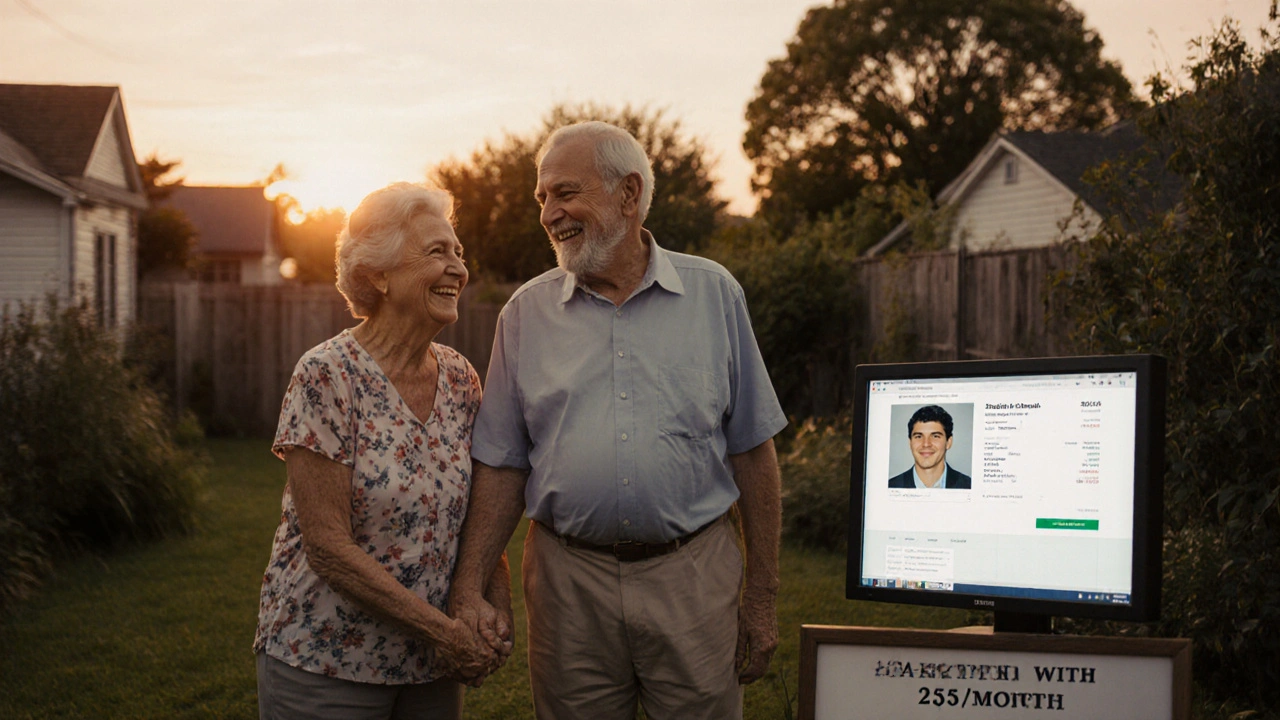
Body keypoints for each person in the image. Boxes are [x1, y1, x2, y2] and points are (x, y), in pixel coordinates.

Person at [448, 121, 788, 719]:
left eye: (565, 192)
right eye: (543, 199)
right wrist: (469, 589)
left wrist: (761, 596)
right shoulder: (525, 314)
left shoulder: (714, 295)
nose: (550, 213)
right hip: (567, 586)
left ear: (629, 194)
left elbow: (754, 452)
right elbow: (501, 466)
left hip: (693, 578)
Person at [254, 182, 512, 720]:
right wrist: (446, 632)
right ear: (379, 275)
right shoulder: (327, 376)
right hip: (326, 660)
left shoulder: (462, 379)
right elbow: (326, 547)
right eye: (436, 252)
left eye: (458, 253)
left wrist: (491, 608)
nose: (458, 269)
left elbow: (478, 507)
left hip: (431, 668)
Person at [889, 405, 972, 489]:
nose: (926, 444)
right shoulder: (890, 486)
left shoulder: (969, 486)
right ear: (910, 443)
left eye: (935, 436)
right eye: (919, 436)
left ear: (948, 442)